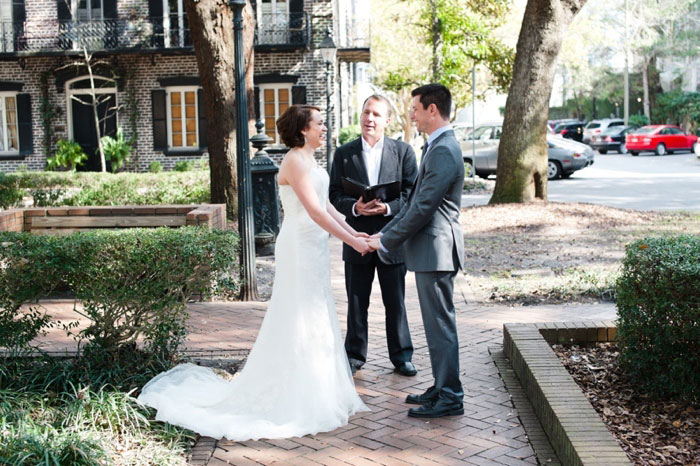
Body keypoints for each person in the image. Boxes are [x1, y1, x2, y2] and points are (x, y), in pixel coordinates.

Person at [138, 105, 370, 441]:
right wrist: (352, 241)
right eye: (320, 123)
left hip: (315, 248)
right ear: (303, 129)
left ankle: (319, 387)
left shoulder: (312, 159)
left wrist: (354, 230)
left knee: (318, 312)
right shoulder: (293, 160)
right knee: (297, 315)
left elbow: (329, 206)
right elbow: (314, 211)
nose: (325, 128)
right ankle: (295, 394)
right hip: (299, 247)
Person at [368, 84, 465, 419]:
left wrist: (385, 240)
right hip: (431, 250)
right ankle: (441, 387)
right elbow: (414, 205)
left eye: (415, 109)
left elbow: (423, 207)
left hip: (437, 250)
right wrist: (387, 233)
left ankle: (450, 396)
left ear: (432, 110)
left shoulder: (442, 150)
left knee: (440, 326)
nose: (411, 114)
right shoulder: (438, 146)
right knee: (436, 325)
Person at [329, 95, 418, 377]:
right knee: (356, 300)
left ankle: (402, 356)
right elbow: (333, 194)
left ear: (387, 121)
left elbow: (412, 195)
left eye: (377, 114)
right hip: (356, 235)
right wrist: (354, 206)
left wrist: (389, 207)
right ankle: (354, 355)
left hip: (391, 237)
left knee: (396, 301)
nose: (370, 118)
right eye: (367, 112)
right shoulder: (344, 153)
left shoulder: (403, 152)